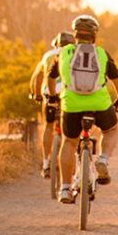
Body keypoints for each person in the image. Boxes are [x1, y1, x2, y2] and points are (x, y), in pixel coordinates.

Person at [46, 15, 118, 203]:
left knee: (69, 142)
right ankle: (103, 159)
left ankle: (66, 189)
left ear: (75, 35)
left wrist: (52, 97)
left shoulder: (64, 52)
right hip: (99, 104)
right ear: (94, 36)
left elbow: (50, 79)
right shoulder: (102, 53)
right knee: (111, 129)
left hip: (72, 104)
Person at [29, 31, 75, 178]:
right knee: (71, 132)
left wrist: (36, 94)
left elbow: (37, 77)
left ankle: (46, 162)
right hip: (69, 94)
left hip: (50, 93)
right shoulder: (74, 53)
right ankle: (73, 166)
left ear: (56, 44)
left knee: (49, 125)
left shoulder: (48, 55)